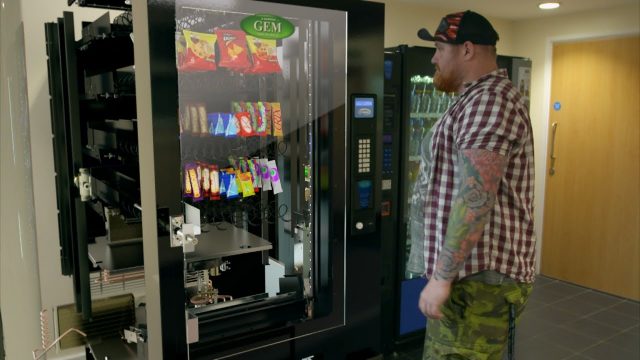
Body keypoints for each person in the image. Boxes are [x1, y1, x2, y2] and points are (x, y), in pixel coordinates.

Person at [413, 10, 536, 360]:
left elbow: (476, 197)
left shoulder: (489, 101)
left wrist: (442, 277)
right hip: (470, 279)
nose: (434, 58)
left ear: (467, 49)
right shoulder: (475, 99)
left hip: (479, 282)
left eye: (439, 48)